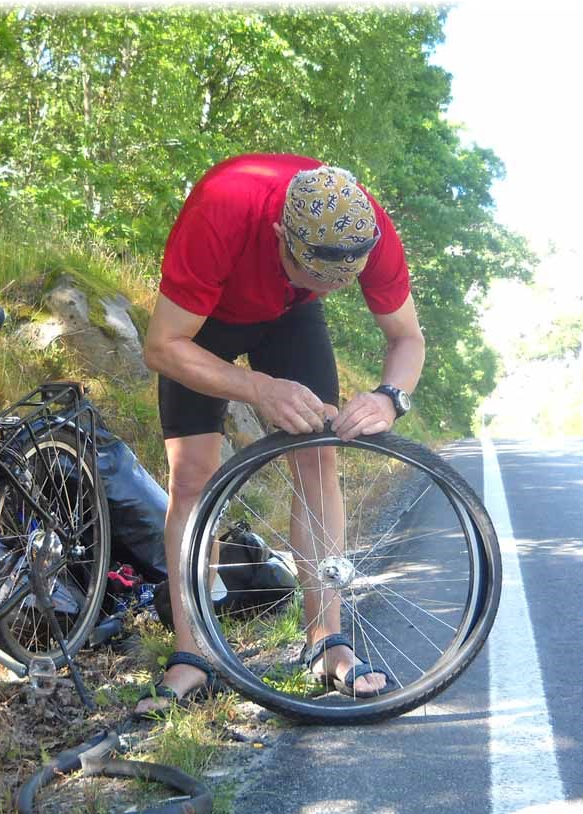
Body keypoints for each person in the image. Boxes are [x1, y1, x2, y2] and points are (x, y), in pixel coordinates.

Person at [135, 153, 425, 716]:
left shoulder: (366, 228)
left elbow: (407, 338)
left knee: (318, 460)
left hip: (290, 319)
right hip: (204, 323)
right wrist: (258, 388)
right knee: (193, 479)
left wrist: (390, 399)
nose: (333, 288)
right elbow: (161, 346)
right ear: (280, 237)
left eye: (342, 281)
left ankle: (327, 642)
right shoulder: (223, 210)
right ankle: (192, 654)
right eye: (316, 276)